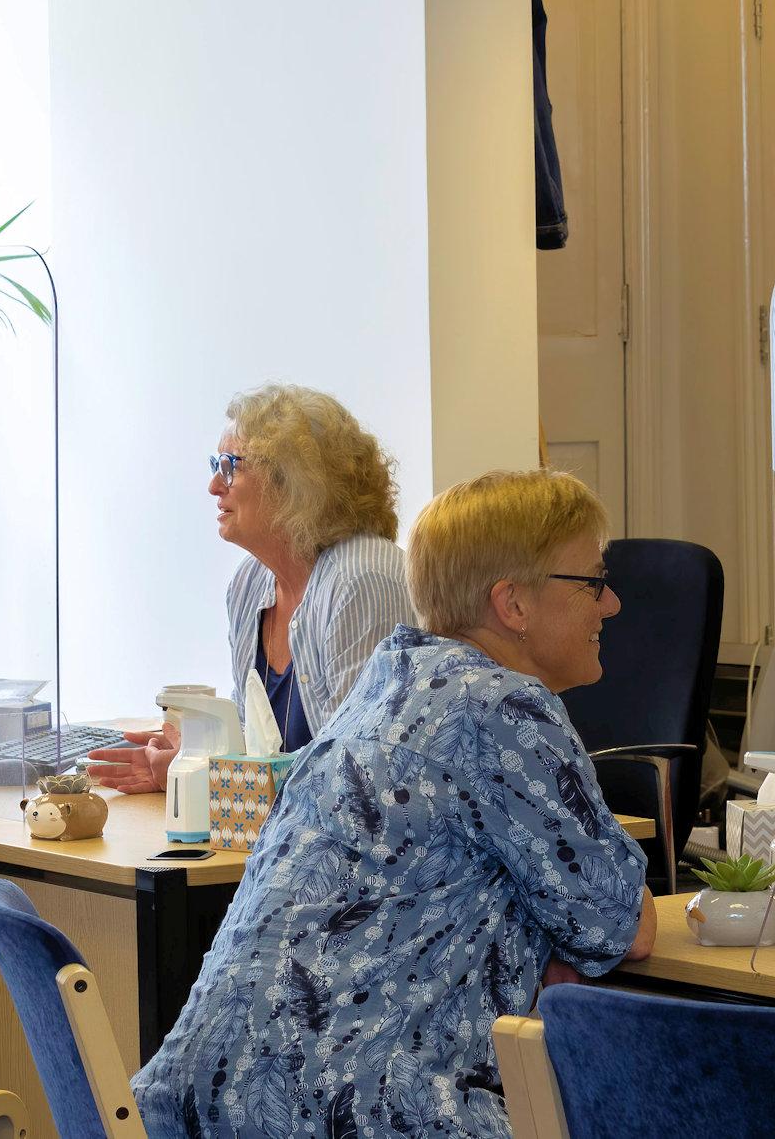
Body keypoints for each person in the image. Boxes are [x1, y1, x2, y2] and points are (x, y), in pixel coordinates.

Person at [133, 469, 655, 1137]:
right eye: (592, 581)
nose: (608, 604)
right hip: (355, 1114)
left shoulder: (388, 681)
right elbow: (621, 925)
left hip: (206, 1109)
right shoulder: (502, 709)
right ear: (513, 605)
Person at [90, 384, 412, 791]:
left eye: (230, 466)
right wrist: (188, 763)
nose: (213, 485)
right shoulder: (248, 583)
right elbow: (254, 747)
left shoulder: (362, 577)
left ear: (294, 481)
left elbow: (360, 770)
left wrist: (216, 777)